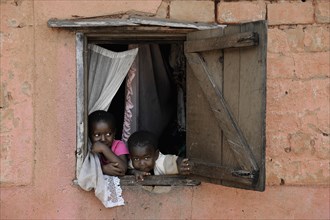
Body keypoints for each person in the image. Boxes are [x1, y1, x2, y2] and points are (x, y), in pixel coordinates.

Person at [127, 130, 191, 181]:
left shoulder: (162, 162)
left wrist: (181, 165)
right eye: (136, 159)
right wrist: (134, 172)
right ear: (130, 157)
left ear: (156, 155)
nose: (142, 163)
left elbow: (176, 161)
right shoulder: (132, 162)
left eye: (146, 158)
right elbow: (128, 169)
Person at [88, 110, 128, 176]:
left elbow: (122, 169)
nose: (103, 139)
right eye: (97, 135)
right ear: (89, 135)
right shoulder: (88, 147)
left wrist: (104, 149)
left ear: (114, 133)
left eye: (108, 134)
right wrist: (103, 169)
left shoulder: (118, 145)